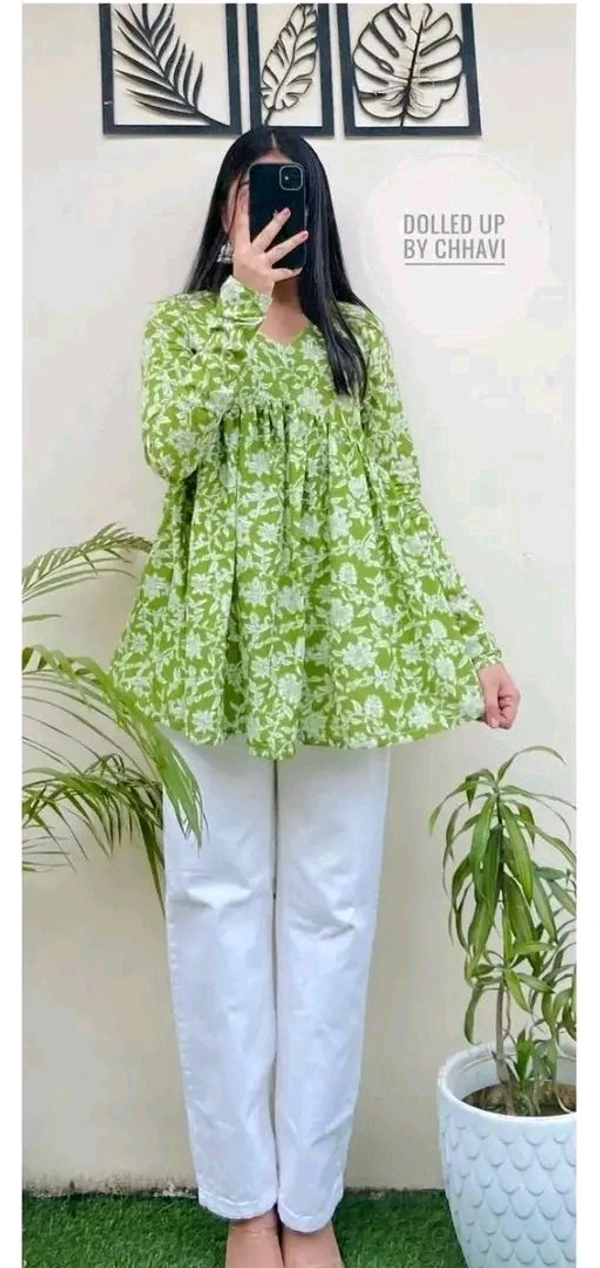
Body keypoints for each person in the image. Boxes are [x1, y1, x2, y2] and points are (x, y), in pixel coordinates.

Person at [111, 126, 520, 1268]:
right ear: (227, 211)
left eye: (285, 194)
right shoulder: (186, 327)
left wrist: (471, 644)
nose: (268, 213)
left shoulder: (356, 342)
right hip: (212, 647)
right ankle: (247, 1201)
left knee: (333, 916)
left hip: (347, 650)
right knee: (216, 907)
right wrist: (239, 303)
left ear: (315, 207)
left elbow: (400, 505)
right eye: (251, 194)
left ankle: (309, 1202)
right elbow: (168, 446)